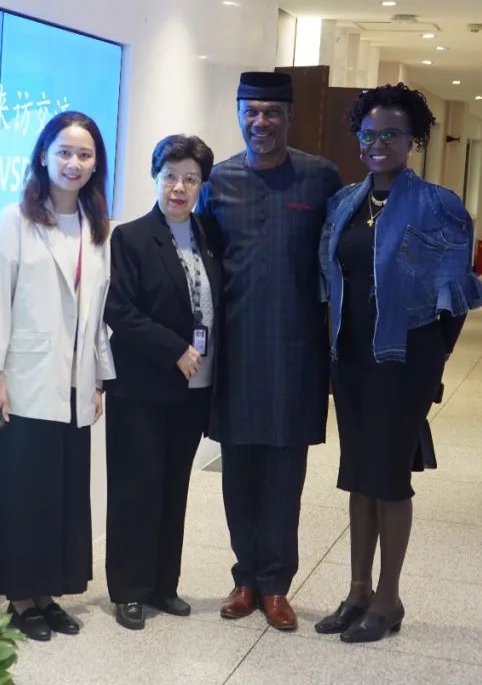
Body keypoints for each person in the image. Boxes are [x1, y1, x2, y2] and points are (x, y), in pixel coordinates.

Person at [315, 83, 482, 643]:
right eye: (368, 134)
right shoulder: (344, 203)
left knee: (389, 478)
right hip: (351, 359)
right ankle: (357, 591)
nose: (378, 143)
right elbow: (329, 283)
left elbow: (455, 300)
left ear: (413, 139)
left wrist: (433, 366)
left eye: (391, 134)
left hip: (405, 360)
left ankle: (388, 599)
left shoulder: (440, 206)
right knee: (358, 475)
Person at [198, 71, 342, 631]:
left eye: (272, 113)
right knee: (237, 472)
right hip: (235, 352)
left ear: (289, 117)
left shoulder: (320, 178)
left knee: (285, 473)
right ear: (239, 115)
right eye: (251, 112)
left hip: (297, 351)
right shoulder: (218, 180)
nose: (261, 123)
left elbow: (341, 260)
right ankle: (245, 579)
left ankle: (277, 584)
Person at [0, 111, 115, 642]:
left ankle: (48, 595)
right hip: (26, 379)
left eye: (84, 154)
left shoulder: (97, 226)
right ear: (42, 155)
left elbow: (97, 311)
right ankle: (21, 598)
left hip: (77, 381)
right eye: (64, 151)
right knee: (25, 491)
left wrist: (98, 379)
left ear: (96, 164)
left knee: (62, 492)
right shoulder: (15, 219)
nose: (73, 163)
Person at [103, 134, 221, 630]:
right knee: (136, 487)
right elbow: (119, 309)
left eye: (190, 179)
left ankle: (163, 585)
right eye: (170, 176)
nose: (179, 188)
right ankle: (129, 589)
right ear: (155, 178)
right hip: (141, 386)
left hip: (194, 390)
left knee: (174, 487)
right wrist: (173, 348)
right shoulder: (130, 238)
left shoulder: (209, 235)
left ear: (201, 185)